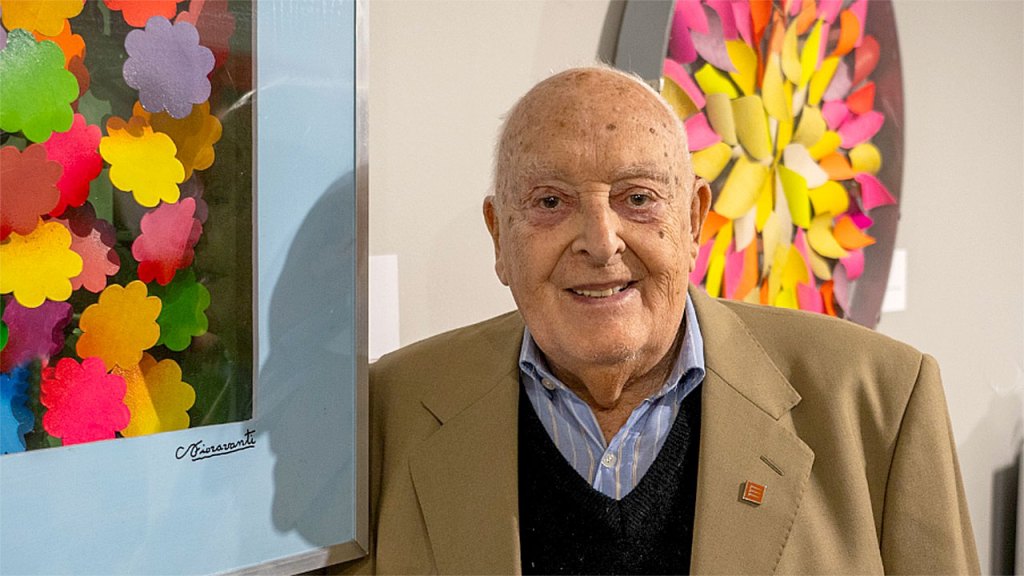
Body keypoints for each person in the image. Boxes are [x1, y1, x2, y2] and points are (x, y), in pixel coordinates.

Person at [336, 67, 979, 574]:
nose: (600, 241)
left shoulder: (880, 403)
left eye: (638, 198)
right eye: (551, 201)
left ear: (693, 220)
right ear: (499, 235)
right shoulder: (386, 414)